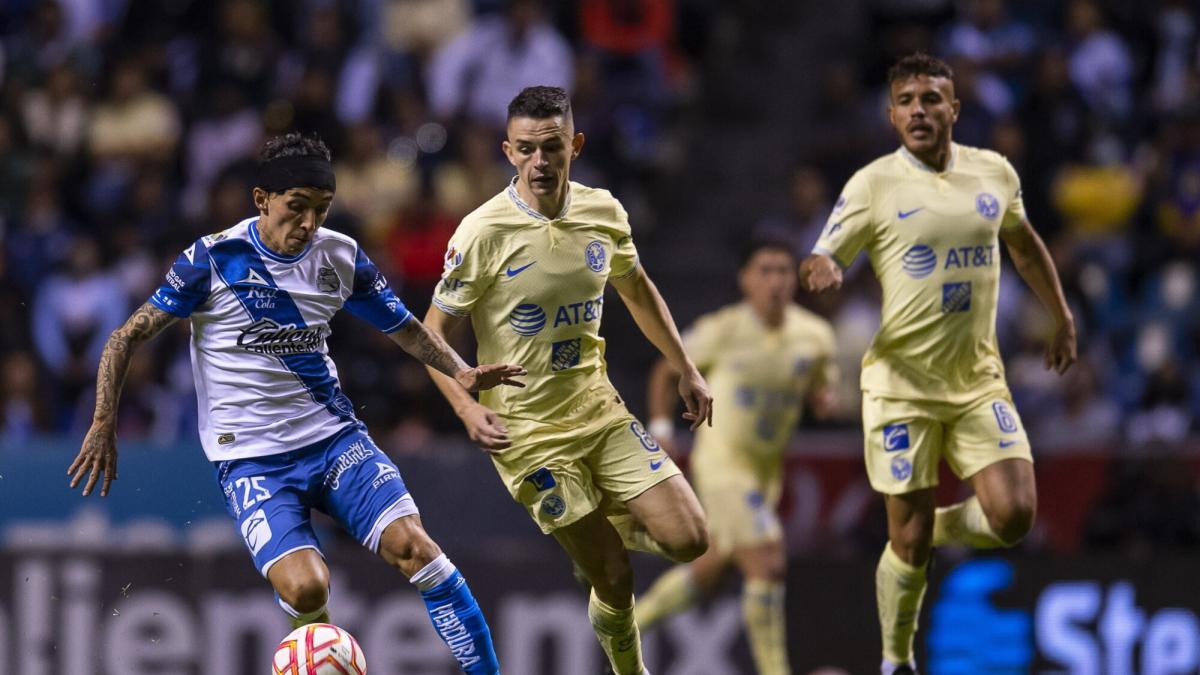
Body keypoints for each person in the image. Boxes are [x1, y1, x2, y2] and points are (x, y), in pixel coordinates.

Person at [66, 133, 520, 674]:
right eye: (296, 208)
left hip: (333, 440)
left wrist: (461, 371)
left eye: (321, 210)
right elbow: (125, 337)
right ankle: (313, 653)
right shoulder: (212, 260)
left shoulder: (341, 256)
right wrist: (102, 422)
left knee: (416, 549)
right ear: (262, 201)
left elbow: (407, 330)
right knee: (307, 588)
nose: (308, 224)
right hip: (252, 459)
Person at [800, 53, 1077, 675]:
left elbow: (1025, 244)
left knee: (1013, 517)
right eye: (906, 101)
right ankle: (896, 658)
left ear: (955, 108)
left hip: (978, 378)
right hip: (902, 384)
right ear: (892, 113)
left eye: (932, 99)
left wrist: (1060, 315)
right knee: (907, 544)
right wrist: (823, 267)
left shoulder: (994, 173)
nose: (919, 111)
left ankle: (929, 529)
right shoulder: (871, 184)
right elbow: (822, 253)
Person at [423, 86, 711, 675]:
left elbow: (637, 290)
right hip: (528, 434)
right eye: (526, 149)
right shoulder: (482, 233)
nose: (540, 162)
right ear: (508, 151)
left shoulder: (604, 211)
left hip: (599, 409)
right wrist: (466, 408)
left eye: (552, 147)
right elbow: (431, 335)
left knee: (691, 540)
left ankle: (597, 520)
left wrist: (686, 366)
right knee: (613, 572)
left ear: (574, 144)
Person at [635, 239, 839, 675]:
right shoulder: (724, 328)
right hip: (723, 465)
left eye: (784, 271)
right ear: (745, 279)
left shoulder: (815, 338)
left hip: (766, 475)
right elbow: (665, 368)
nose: (776, 281)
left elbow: (823, 390)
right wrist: (661, 427)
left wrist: (826, 399)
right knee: (767, 557)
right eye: (765, 271)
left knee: (715, 566)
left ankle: (628, 625)